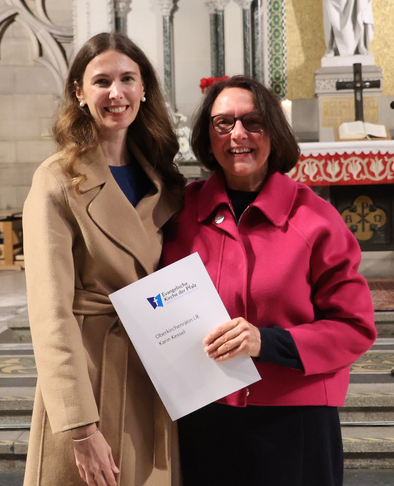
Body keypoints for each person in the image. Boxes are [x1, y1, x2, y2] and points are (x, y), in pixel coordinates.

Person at [161, 75, 377, 486]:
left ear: (273, 133)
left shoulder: (315, 219)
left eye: (252, 122)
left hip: (293, 420)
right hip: (203, 414)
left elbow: (355, 327)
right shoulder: (179, 212)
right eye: (223, 123)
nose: (237, 134)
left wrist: (267, 341)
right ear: (208, 138)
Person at [22, 32, 185, 486]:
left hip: (153, 366)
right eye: (101, 81)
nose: (117, 93)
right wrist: (79, 428)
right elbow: (50, 314)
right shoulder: (57, 180)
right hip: (91, 374)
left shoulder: (162, 176)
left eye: (128, 79)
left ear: (145, 88)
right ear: (79, 92)